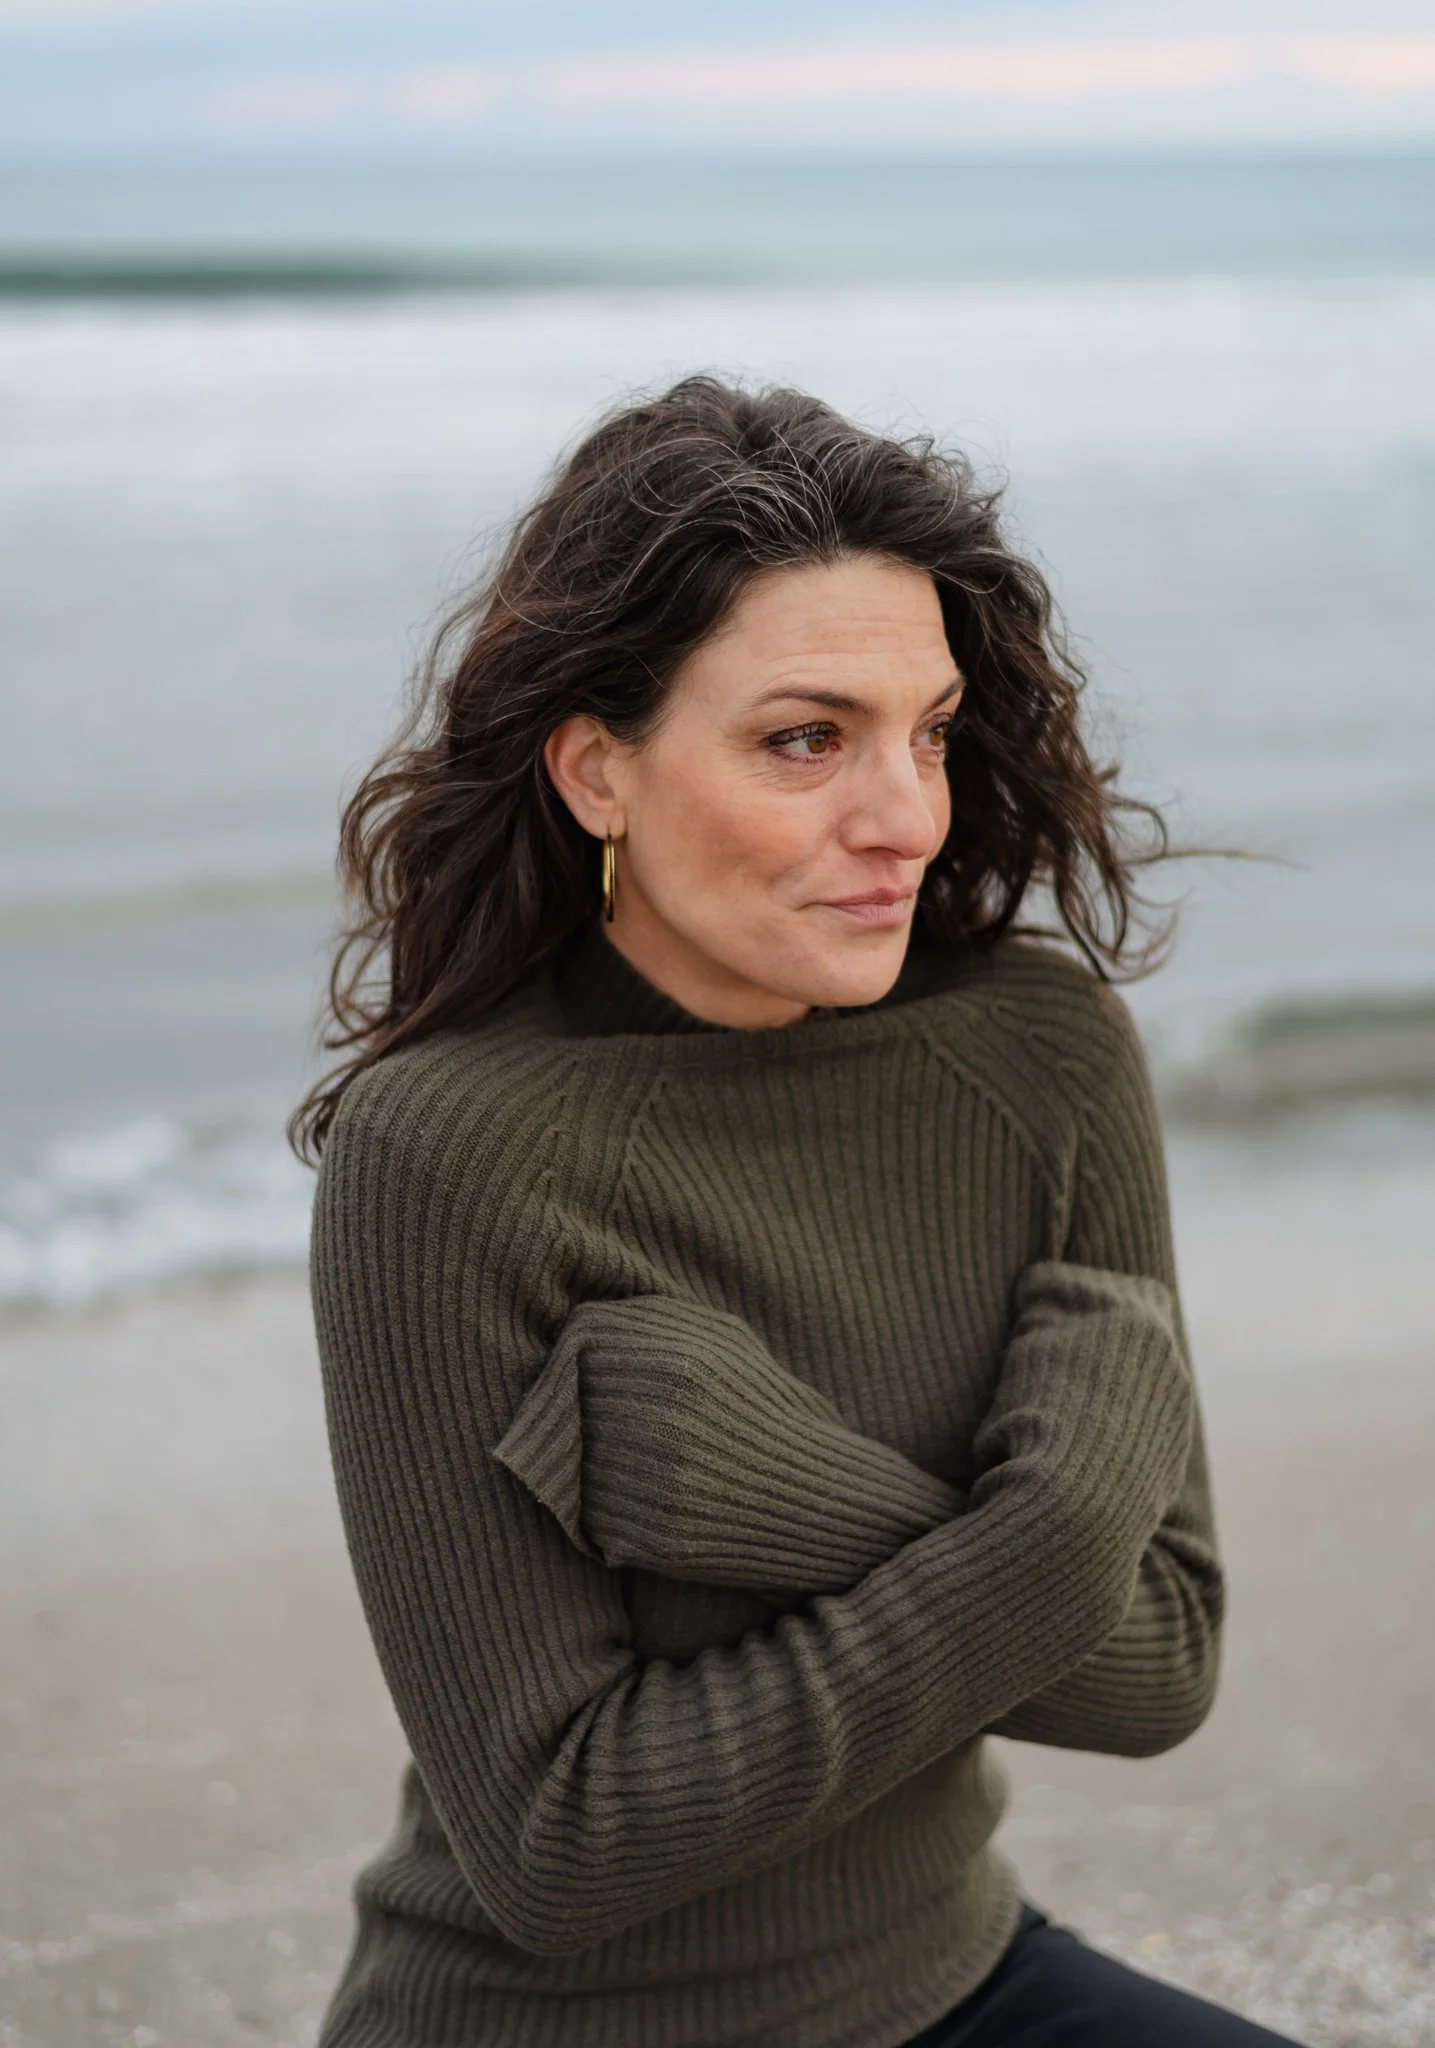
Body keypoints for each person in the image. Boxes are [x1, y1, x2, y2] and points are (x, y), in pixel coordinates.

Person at [295, 377, 1301, 2046]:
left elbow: (1158, 1664)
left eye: (928, 731)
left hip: (955, 1973)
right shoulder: (446, 1154)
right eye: (804, 739)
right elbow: (558, 1839)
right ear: (597, 771)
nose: (904, 818)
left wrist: (759, 1490)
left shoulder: (1040, 1058)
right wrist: (1051, 1526)